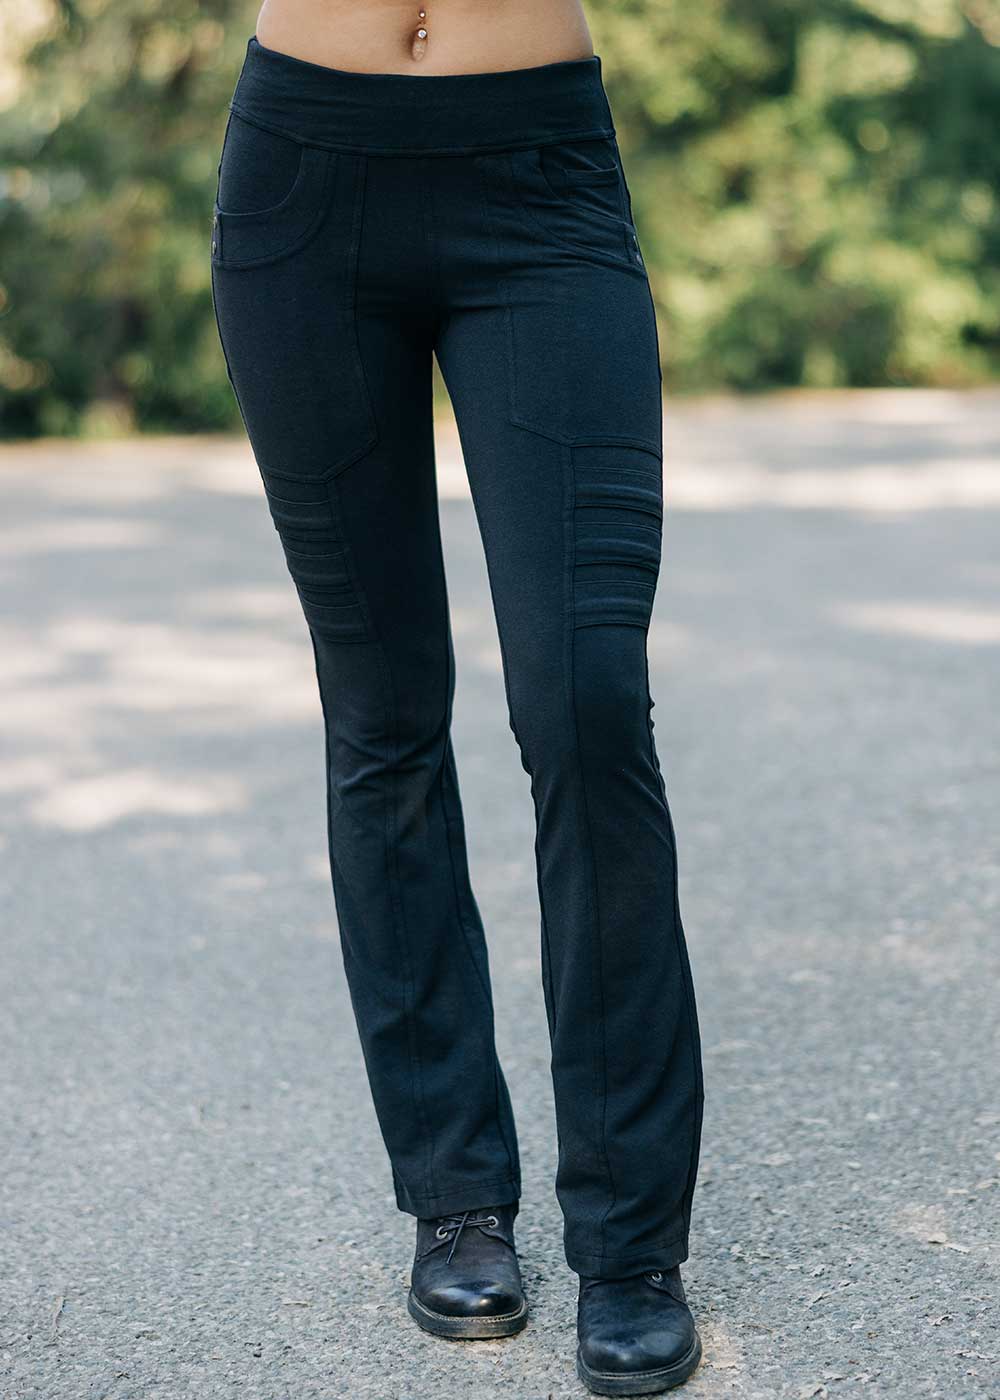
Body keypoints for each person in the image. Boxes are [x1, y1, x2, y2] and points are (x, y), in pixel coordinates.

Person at [210, 1, 705, 1391]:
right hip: (304, 177)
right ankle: (456, 1193)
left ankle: (631, 1237)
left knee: (587, 700)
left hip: (536, 176)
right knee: (382, 714)